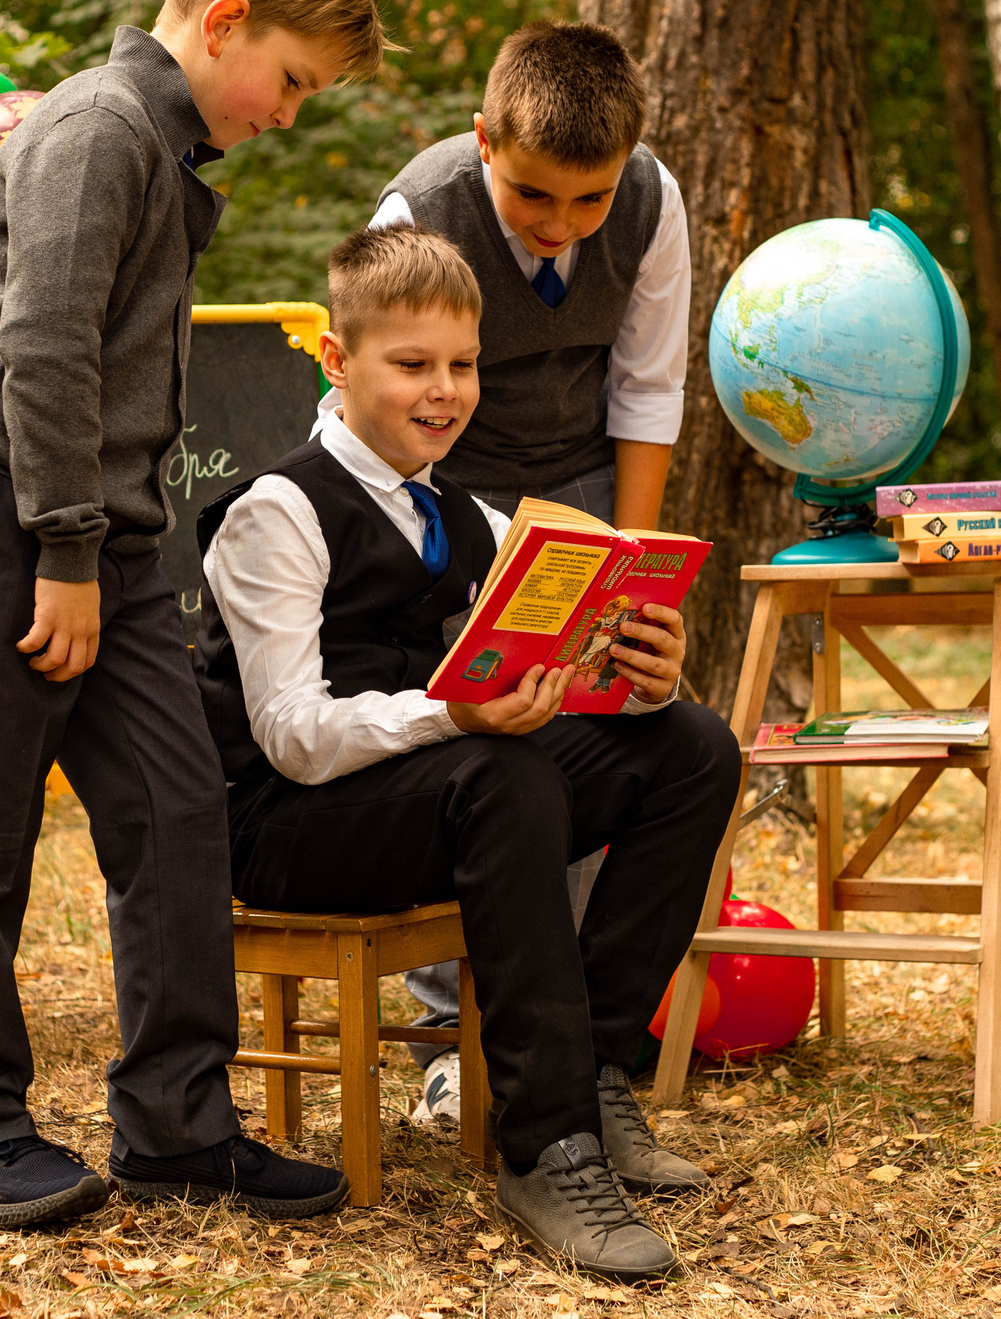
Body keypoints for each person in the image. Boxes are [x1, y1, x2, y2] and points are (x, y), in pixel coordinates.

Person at [0, 0, 393, 1229]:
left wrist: (111, 542)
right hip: (2, 516)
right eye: (289, 79)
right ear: (224, 22)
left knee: (179, 815)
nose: (289, 111)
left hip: (96, 538)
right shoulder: (97, 130)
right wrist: (63, 546)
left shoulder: (164, 153)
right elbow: (46, 351)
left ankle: (177, 1124)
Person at [197, 226, 739, 1279]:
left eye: (462, 365)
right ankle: (546, 1147)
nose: (443, 392)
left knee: (689, 748)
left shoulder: (470, 514)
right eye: (412, 366)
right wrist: (460, 717)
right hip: (283, 825)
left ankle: (591, 1073)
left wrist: (644, 670)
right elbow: (293, 737)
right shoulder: (276, 512)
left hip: (427, 789)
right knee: (502, 772)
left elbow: (547, 682)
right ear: (338, 362)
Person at [336, 20, 690, 1127]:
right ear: (485, 141)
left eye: (590, 202)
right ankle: (451, 1036)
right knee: (483, 738)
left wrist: (626, 571)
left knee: (604, 726)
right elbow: (366, 404)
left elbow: (646, 387)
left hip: (581, 480)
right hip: (449, 478)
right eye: (535, 197)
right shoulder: (416, 209)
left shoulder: (652, 202)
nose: (562, 227)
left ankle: (572, 1040)